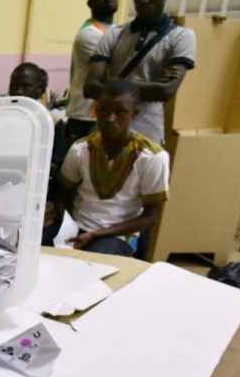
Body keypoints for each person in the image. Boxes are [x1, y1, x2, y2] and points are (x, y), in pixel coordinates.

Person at [43, 79, 169, 256]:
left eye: (120, 112)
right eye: (104, 110)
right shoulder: (81, 148)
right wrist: (68, 226)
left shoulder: (153, 157)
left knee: (92, 263)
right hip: (77, 227)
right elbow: (61, 195)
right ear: (95, 110)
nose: (110, 119)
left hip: (118, 234)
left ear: (135, 113)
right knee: (29, 250)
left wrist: (96, 234)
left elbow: (151, 217)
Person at [84, 0, 196, 144]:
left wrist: (112, 82)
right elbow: (89, 87)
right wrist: (150, 86)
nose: (144, 0)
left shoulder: (181, 36)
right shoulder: (113, 35)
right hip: (106, 134)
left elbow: (165, 91)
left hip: (147, 135)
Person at [65, 0, 119, 144]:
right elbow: (117, 67)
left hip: (106, 112)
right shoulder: (89, 34)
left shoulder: (117, 30)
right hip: (85, 116)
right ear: (90, 3)